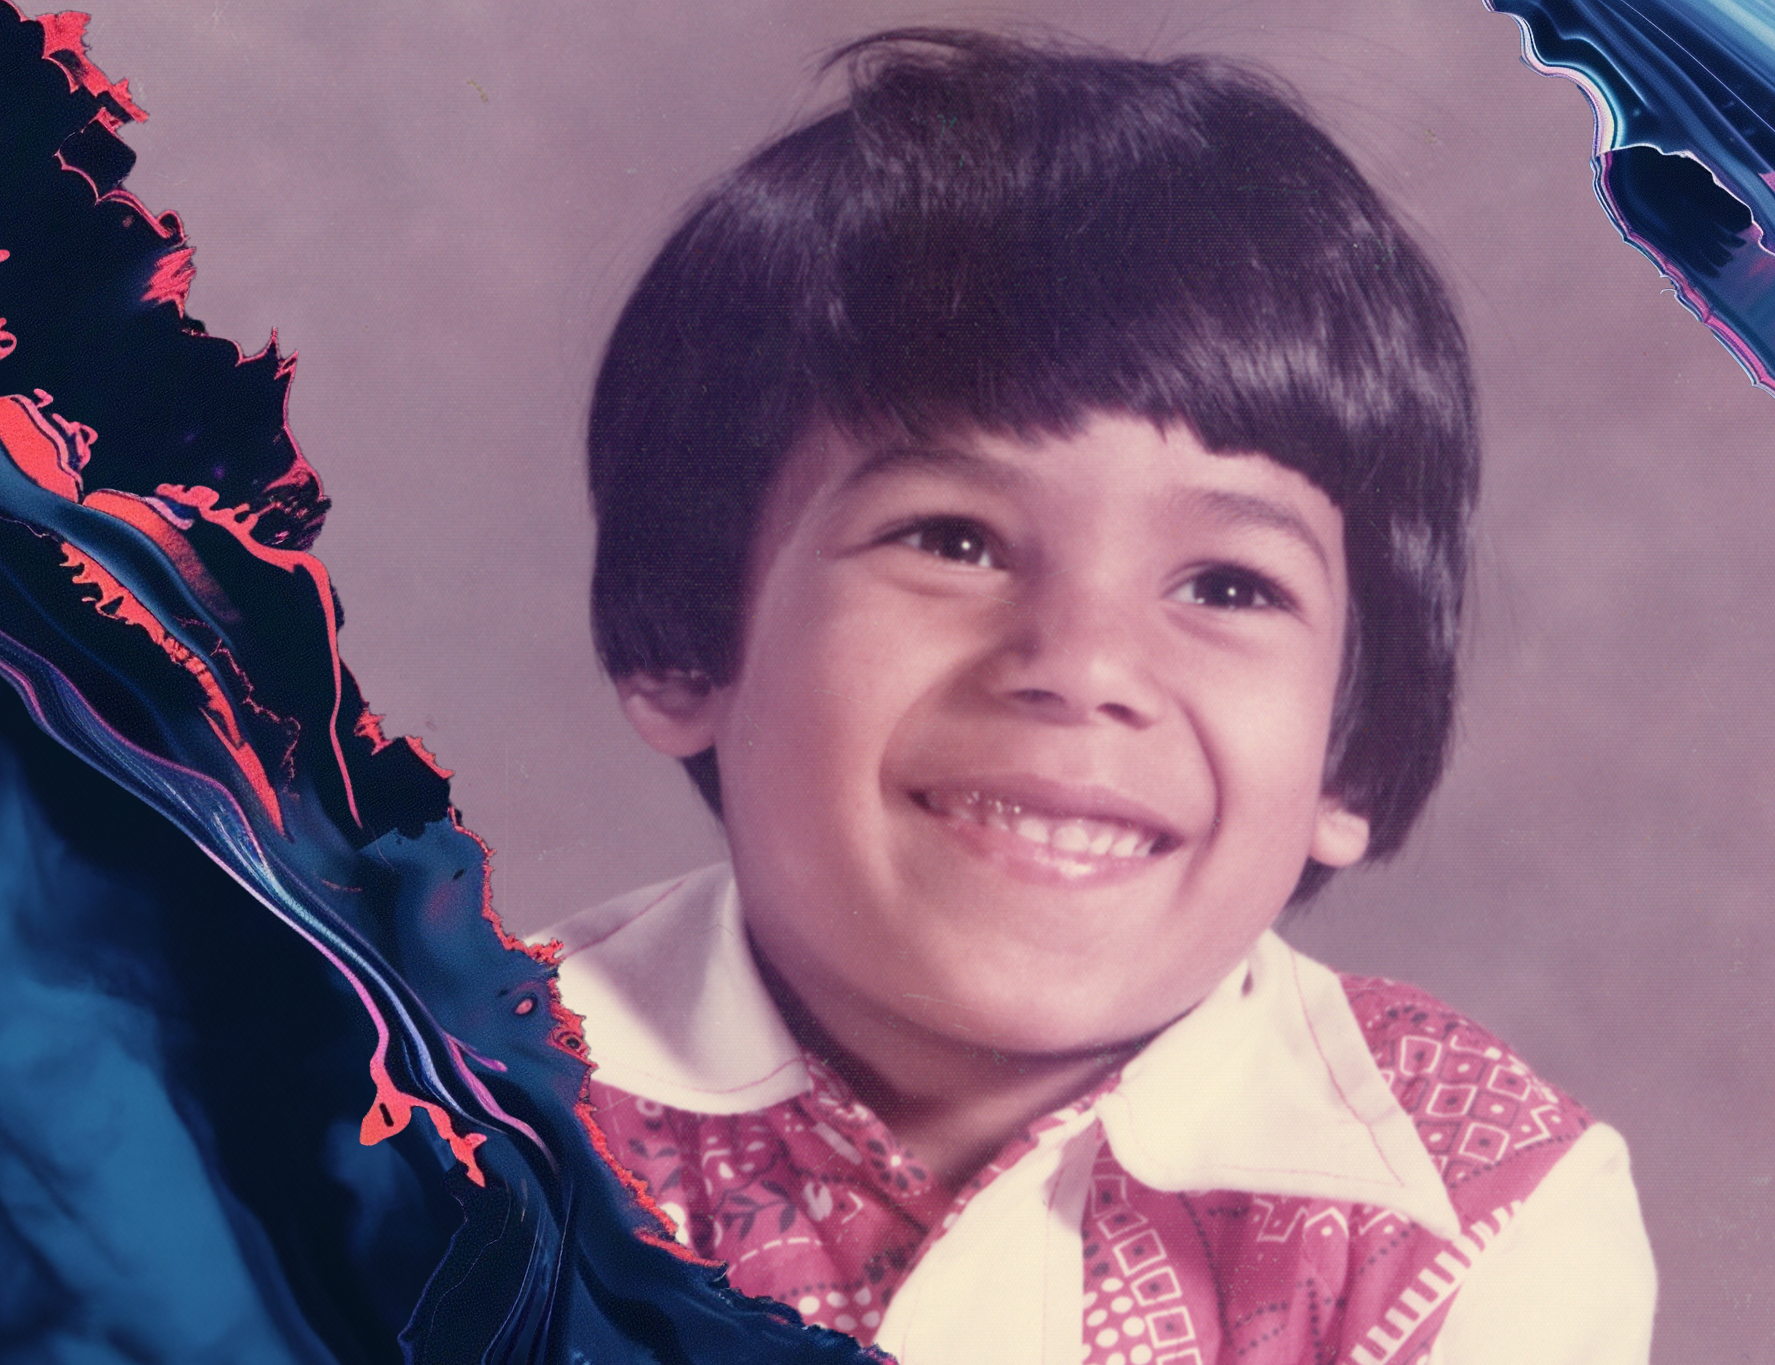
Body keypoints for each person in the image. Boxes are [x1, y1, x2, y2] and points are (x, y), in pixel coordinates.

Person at [545, 29, 1656, 1365]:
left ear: (1348, 756)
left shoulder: (1480, 1213)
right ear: (690, 642)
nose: (1082, 663)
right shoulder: (403, 1102)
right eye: (953, 540)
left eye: (1229, 586)